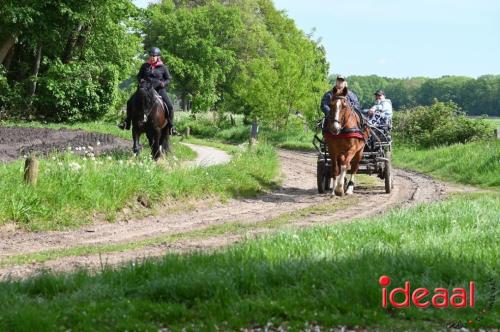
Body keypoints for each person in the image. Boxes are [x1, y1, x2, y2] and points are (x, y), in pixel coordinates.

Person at [119, 47, 177, 134]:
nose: (152, 57)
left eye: (154, 56)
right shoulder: (144, 66)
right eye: (151, 56)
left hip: (158, 89)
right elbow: (139, 76)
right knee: (129, 102)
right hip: (145, 89)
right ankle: (127, 122)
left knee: (170, 106)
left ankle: (171, 126)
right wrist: (141, 80)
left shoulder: (163, 67)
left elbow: (168, 79)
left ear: (158, 57)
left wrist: (163, 83)